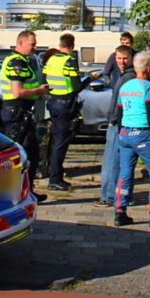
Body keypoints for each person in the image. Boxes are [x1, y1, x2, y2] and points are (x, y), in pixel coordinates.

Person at [114, 52, 150, 228]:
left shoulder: (125, 87)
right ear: (148, 69)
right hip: (143, 133)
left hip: (125, 133)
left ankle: (119, 212)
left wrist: (120, 134)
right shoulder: (148, 87)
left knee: (125, 172)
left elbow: (119, 112)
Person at [43, 34, 100, 191]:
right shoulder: (69, 61)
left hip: (52, 104)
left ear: (60, 44)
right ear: (72, 46)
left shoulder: (51, 60)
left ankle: (55, 175)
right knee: (61, 142)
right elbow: (77, 88)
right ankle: (55, 179)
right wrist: (90, 78)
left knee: (56, 140)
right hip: (65, 107)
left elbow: (44, 81)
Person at [0, 30, 50, 203]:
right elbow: (18, 92)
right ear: (20, 43)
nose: (35, 47)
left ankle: (25, 192)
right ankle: (12, 195)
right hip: (17, 113)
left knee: (28, 155)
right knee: (19, 156)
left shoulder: (22, 61)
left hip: (20, 113)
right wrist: (39, 91)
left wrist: (37, 92)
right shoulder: (17, 62)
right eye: (32, 44)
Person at [94, 45, 135, 208]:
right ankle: (126, 195)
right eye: (118, 58)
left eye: (125, 58)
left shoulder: (127, 77)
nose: (121, 62)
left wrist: (112, 119)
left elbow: (118, 102)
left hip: (119, 123)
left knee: (112, 160)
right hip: (125, 123)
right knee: (125, 161)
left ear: (131, 59)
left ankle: (109, 196)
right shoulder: (125, 75)